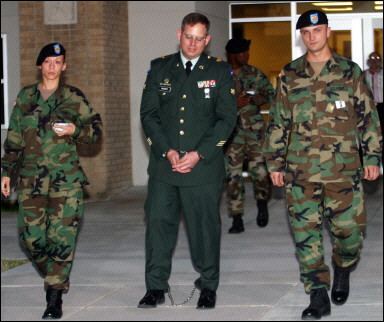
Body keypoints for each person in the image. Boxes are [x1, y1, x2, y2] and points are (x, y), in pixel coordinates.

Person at [263, 10, 382, 320]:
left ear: (328, 31)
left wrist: (372, 157)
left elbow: (369, 118)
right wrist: (274, 162)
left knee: (349, 233)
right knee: (306, 235)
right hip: (299, 171)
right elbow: (278, 121)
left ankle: (343, 267)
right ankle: (317, 293)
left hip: (343, 171)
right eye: (305, 32)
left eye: (316, 30)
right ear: (301, 36)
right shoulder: (290, 75)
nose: (311, 36)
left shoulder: (349, 72)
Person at [138, 13, 237, 310]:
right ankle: (154, 286)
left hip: (203, 168)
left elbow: (227, 119)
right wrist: (167, 151)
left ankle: (208, 285)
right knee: (158, 225)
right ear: (179, 34)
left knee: (205, 228)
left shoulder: (219, 71)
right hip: (164, 167)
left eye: (199, 38)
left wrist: (198, 153)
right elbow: (149, 115)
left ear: (207, 40)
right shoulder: (159, 68)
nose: (192, 43)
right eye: (188, 36)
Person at [1, 43, 102, 319]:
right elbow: (13, 140)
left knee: (62, 240)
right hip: (31, 181)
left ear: (64, 66)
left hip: (66, 182)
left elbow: (95, 131)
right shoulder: (25, 97)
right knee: (30, 239)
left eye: (58, 61)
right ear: (39, 66)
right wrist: (6, 171)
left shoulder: (73, 97)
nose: (52, 66)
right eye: (47, 61)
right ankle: (57, 274)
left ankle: (54, 298)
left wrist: (75, 129)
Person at [224, 38, 275, 233]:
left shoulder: (254, 73)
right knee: (232, 177)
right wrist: (232, 102)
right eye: (243, 52)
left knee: (261, 173)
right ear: (232, 55)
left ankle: (262, 206)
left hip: (255, 134)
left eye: (247, 52)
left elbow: (271, 94)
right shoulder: (219, 75)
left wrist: (253, 99)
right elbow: (209, 101)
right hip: (231, 135)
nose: (247, 55)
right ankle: (237, 218)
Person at [364, 52, 383, 161]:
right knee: (369, 134)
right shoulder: (363, 74)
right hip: (369, 107)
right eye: (371, 58)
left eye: (376, 58)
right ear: (368, 60)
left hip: (381, 106)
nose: (374, 60)